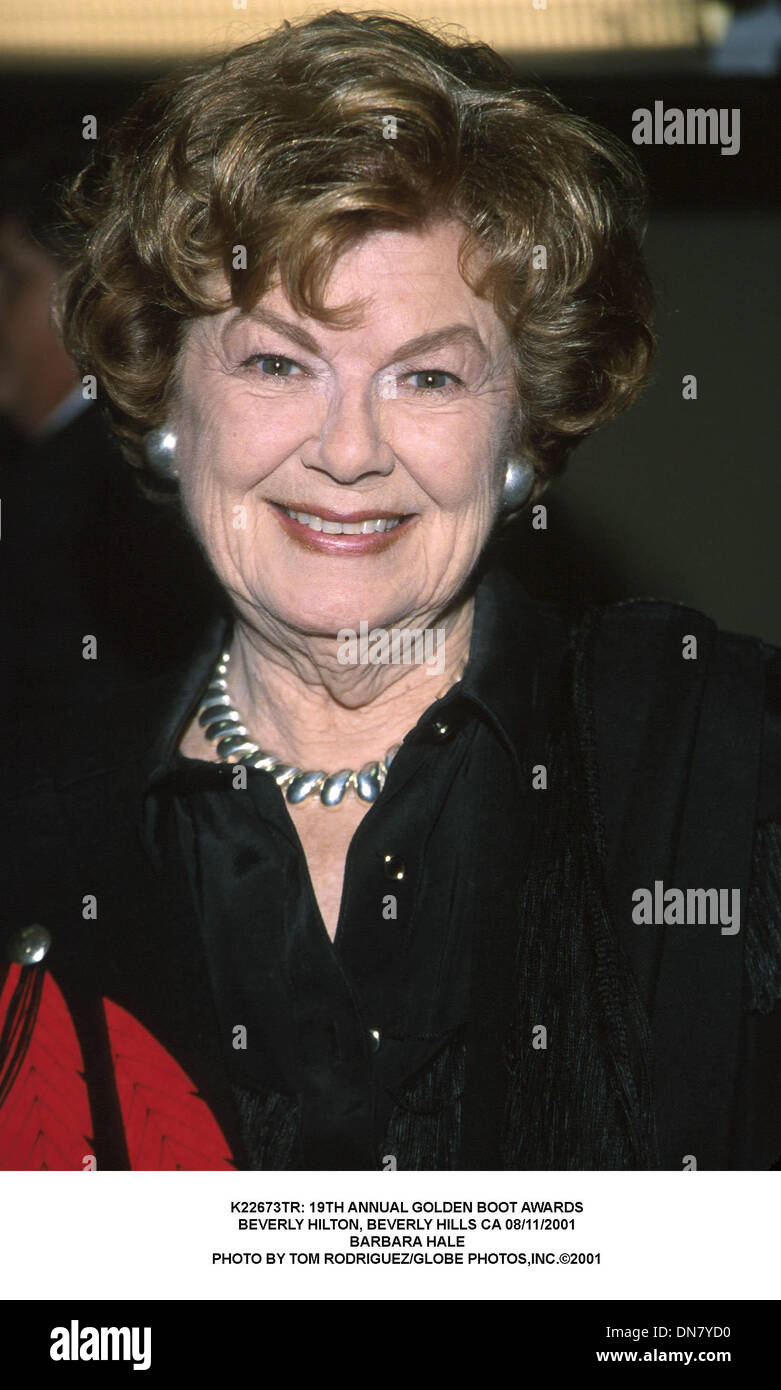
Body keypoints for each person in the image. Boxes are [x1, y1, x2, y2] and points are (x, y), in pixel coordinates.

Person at [1, 10, 780, 1172]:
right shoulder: (32, 838)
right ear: (169, 399)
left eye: (427, 375)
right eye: (277, 362)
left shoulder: (722, 763)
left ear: (521, 426)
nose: (351, 449)